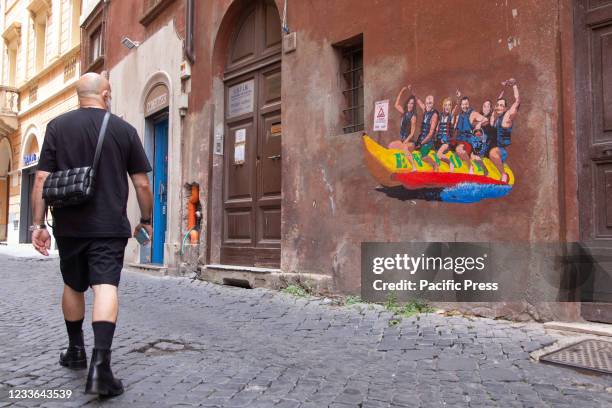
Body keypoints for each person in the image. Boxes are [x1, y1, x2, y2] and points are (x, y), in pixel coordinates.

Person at [31, 73, 154, 397]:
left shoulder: (57, 127)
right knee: (105, 287)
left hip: (69, 226)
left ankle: (75, 352)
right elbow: (141, 183)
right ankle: (101, 368)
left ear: (78, 95)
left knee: (73, 284)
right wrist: (145, 219)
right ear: (106, 93)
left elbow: (42, 180)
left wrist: (38, 225)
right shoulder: (123, 129)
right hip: (108, 226)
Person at [489, 78, 520, 183]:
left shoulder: (507, 117)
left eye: (502, 106)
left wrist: (514, 85)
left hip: (501, 151)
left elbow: (517, 101)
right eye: (498, 106)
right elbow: (498, 101)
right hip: (494, 147)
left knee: (493, 153)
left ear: (506, 108)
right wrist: (504, 86)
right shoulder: (495, 117)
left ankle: (504, 175)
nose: (498, 107)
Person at [455, 96, 488, 174]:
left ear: (469, 104)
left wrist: (479, 123)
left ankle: (471, 168)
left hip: (468, 141)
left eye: (466, 104)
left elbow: (486, 120)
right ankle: (484, 169)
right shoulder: (459, 116)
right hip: (459, 140)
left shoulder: (473, 114)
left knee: (459, 149)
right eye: (463, 104)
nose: (464, 106)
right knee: (473, 157)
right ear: (461, 105)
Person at [389, 86, 418, 170]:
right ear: (407, 103)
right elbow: (396, 104)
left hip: (410, 142)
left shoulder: (413, 117)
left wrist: (406, 141)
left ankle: (414, 167)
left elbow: (412, 132)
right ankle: (400, 163)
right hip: (402, 140)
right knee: (391, 145)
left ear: (414, 105)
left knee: (404, 148)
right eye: (409, 103)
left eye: (412, 103)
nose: (410, 105)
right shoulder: (404, 112)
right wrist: (401, 91)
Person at [412, 92, 440, 171]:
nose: (428, 105)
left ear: (433, 103)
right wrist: (414, 94)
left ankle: (435, 165)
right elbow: (419, 102)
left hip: (429, 141)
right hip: (421, 138)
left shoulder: (434, 115)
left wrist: (421, 143)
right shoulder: (425, 110)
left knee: (423, 156)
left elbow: (431, 134)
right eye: (427, 103)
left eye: (430, 103)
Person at [435, 91, 460, 170]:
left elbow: (456, 108)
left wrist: (458, 98)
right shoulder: (440, 116)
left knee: (438, 155)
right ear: (443, 106)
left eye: (449, 105)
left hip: (447, 143)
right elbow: (436, 129)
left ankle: (450, 162)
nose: (447, 107)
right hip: (438, 142)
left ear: (451, 107)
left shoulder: (451, 116)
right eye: (445, 105)